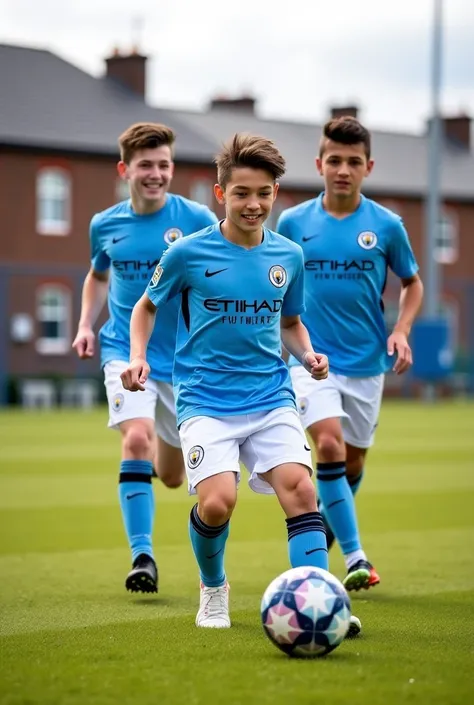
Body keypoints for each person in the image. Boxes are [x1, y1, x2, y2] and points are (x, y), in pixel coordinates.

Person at [120, 132, 344, 632]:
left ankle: (322, 603)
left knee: (302, 492)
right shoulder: (188, 254)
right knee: (218, 502)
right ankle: (214, 588)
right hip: (204, 399)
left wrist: (307, 355)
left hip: (270, 395)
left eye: (263, 193)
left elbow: (290, 322)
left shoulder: (289, 257)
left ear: (275, 193)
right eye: (242, 193)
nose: (254, 203)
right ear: (220, 194)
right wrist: (138, 357)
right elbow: (146, 307)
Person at [277, 116, 424, 591]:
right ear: (320, 164)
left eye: (353, 162)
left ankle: (330, 520)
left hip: (366, 364)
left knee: (351, 463)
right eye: (334, 160)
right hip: (311, 360)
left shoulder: (386, 225)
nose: (343, 169)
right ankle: (356, 556)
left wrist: (400, 329)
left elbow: (413, 282)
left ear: (368, 167)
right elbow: (273, 283)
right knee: (328, 446)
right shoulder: (294, 221)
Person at [72, 122, 217, 594]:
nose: (156, 174)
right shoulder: (104, 224)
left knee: (173, 477)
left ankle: (151, 467)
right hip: (123, 350)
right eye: (146, 165)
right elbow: (97, 276)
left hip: (181, 359)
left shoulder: (196, 217)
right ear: (124, 169)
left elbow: (220, 271)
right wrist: (83, 326)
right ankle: (143, 556)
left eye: (164, 165)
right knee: (136, 439)